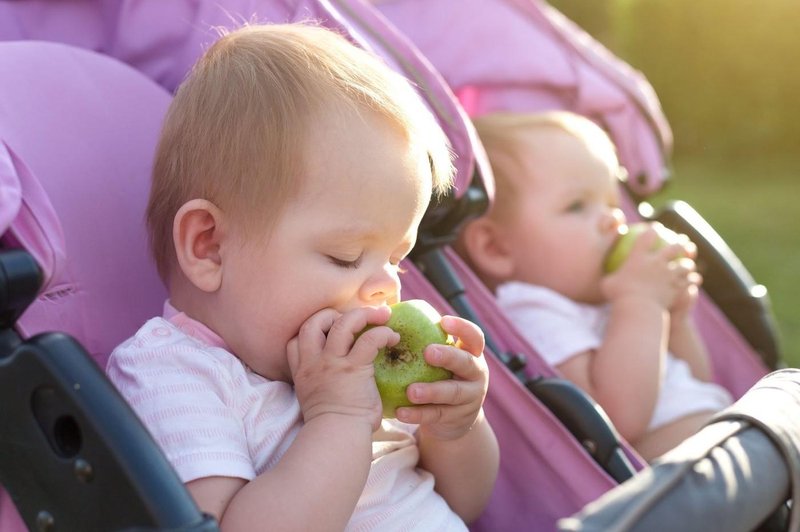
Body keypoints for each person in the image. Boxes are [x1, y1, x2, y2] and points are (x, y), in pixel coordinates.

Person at [106, 23, 498, 530]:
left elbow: (465, 503)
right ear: (210, 247)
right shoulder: (176, 375)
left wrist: (455, 429)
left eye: (397, 259)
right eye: (344, 255)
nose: (387, 287)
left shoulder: (354, 370)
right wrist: (339, 423)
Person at [458, 110, 732, 461]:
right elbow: (616, 420)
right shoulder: (534, 310)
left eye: (612, 203)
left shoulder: (606, 294)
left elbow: (697, 385)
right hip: (682, 484)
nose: (614, 219)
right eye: (577, 205)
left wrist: (675, 320)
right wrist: (642, 302)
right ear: (495, 248)